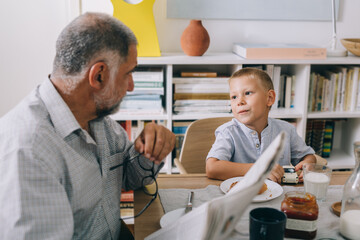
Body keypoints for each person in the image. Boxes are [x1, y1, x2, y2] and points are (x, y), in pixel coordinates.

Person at [0, 12, 175, 239]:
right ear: (99, 75)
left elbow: (129, 178)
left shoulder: (99, 121)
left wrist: (149, 150)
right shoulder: (28, 151)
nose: (131, 86)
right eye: (128, 73)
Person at [206, 68, 315, 183]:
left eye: (247, 93)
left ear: (269, 98)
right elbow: (212, 168)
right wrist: (259, 168)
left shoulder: (286, 130)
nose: (239, 101)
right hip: (241, 195)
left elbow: (308, 156)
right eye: (234, 97)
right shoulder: (228, 132)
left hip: (279, 195)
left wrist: (309, 163)